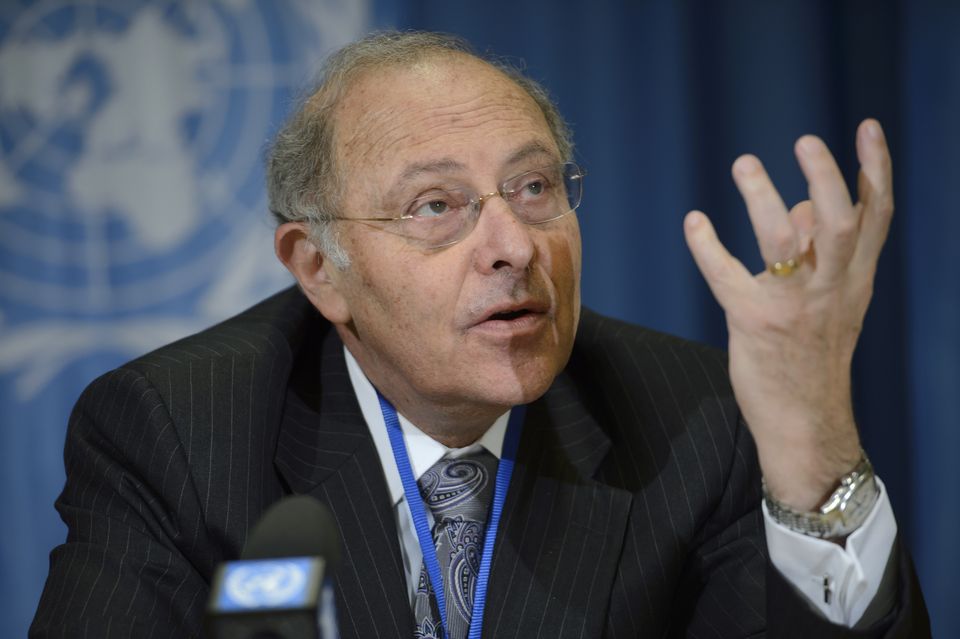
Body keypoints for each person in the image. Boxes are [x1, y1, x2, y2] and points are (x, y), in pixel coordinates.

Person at [31, 31, 928, 638]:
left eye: (534, 188)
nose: (512, 247)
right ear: (319, 268)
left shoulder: (695, 419)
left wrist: (810, 432)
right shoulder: (178, 430)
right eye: (436, 206)